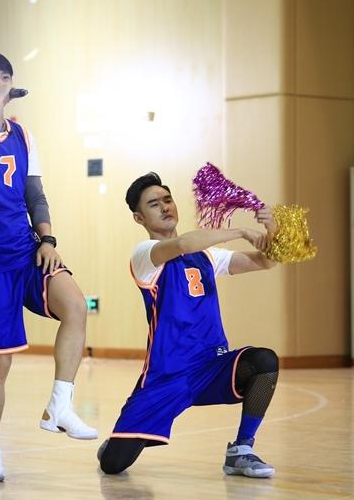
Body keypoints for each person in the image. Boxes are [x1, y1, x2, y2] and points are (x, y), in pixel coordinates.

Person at [0, 51, 98, 483]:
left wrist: (48, 239)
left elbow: (35, 195)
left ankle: (60, 406)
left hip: (26, 250)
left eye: (5, 77)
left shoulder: (24, 135)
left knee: (76, 305)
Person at [98, 172, 279, 478]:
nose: (165, 206)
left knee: (263, 361)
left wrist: (270, 228)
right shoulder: (145, 255)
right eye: (154, 204)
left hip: (211, 366)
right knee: (113, 465)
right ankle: (121, 440)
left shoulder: (207, 255)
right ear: (139, 218)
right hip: (168, 375)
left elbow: (266, 261)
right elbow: (183, 243)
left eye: (167, 199)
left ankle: (241, 450)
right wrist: (240, 230)